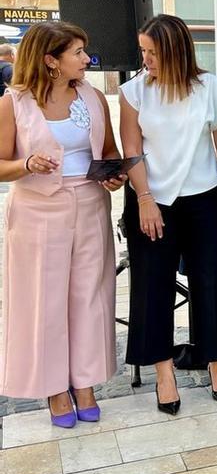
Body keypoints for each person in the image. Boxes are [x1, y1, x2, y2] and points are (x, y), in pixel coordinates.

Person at [0, 21, 125, 428]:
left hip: (90, 204)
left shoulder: (93, 98)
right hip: (37, 210)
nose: (86, 59)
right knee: (44, 299)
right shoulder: (13, 103)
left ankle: (85, 384)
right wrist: (26, 164)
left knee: (90, 295)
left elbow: (108, 151)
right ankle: (55, 389)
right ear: (51, 60)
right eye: (77, 52)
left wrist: (114, 174)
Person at [119, 14, 217, 415]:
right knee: (153, 288)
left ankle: (216, 363)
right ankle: (164, 373)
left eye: (152, 52)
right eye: (143, 51)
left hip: (205, 197)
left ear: (174, 51)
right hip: (152, 200)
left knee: (210, 283)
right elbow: (132, 149)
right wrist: (144, 199)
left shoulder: (211, 87)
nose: (146, 59)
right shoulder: (134, 92)